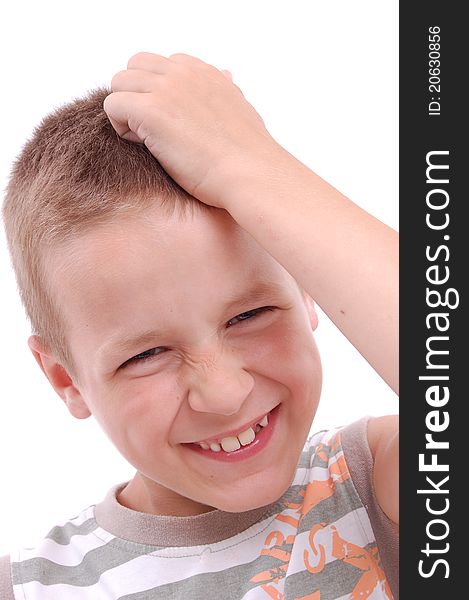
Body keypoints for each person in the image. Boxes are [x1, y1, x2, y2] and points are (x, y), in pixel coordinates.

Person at [0, 52, 398, 599]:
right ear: (65, 379)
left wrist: (250, 165)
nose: (224, 392)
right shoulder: (29, 587)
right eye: (145, 355)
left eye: (249, 315)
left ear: (311, 288)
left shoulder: (375, 487)